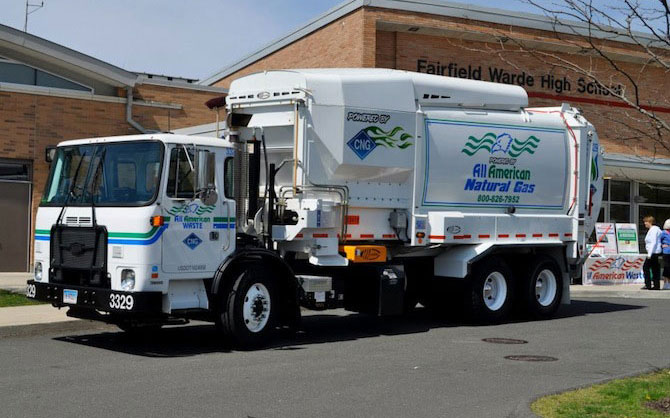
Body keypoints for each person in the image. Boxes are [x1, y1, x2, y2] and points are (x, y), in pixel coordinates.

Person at [642, 216, 662, 290]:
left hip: (653, 252)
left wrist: (649, 254)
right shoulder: (655, 229)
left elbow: (653, 242)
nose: (645, 223)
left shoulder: (653, 230)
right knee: (655, 269)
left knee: (646, 267)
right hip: (654, 252)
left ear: (650, 222)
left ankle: (648, 284)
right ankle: (656, 285)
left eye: (645, 222)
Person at [661, 219, 670, 290]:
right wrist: (662, 245)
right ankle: (665, 283)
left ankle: (668, 283)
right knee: (666, 267)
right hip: (666, 252)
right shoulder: (663, 232)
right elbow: (658, 241)